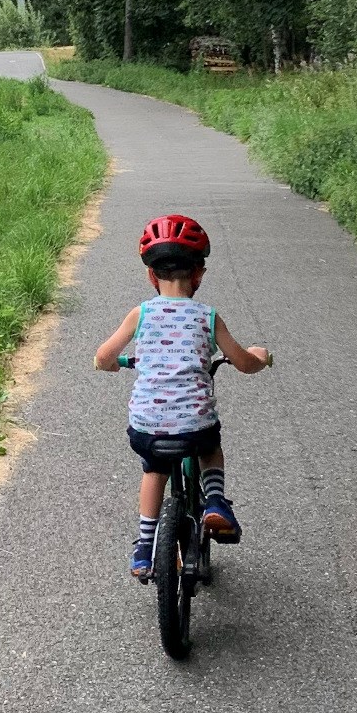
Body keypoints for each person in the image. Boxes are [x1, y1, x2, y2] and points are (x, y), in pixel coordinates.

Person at [93, 213, 272, 582]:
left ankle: (145, 546)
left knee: (154, 469)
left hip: (147, 428)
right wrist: (260, 356)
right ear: (199, 275)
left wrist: (116, 365)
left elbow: (102, 358)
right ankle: (216, 500)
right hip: (195, 427)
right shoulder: (208, 317)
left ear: (151, 276)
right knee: (210, 446)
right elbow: (243, 363)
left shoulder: (141, 314)